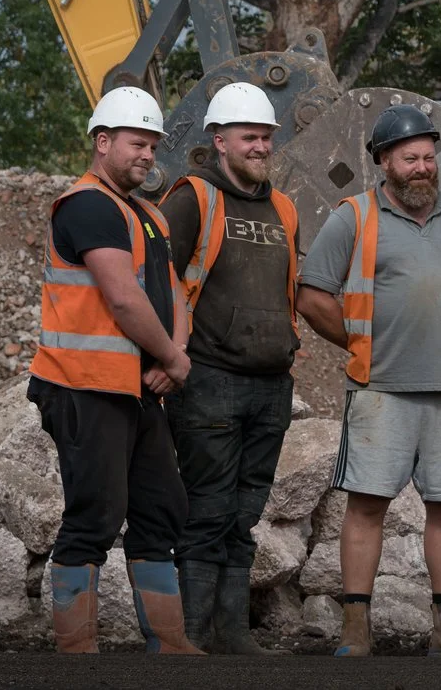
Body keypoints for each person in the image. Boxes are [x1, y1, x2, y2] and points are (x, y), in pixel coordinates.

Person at [297, 104, 441, 657]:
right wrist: (360, 343)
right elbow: (313, 294)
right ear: (384, 161)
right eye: (410, 158)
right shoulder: (354, 218)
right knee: (366, 505)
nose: (423, 168)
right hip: (381, 389)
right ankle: (355, 629)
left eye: (429, 157)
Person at [31, 86, 202, 655]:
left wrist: (170, 360)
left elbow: (174, 296)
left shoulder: (148, 215)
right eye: (137, 143)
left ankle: (169, 643)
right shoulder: (86, 205)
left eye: (153, 145)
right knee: (95, 514)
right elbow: (124, 299)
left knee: (161, 509)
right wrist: (174, 359)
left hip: (134, 388)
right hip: (83, 387)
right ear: (102, 143)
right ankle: (77, 650)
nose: (148, 155)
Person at [158, 81, 299, 654]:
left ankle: (233, 633)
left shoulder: (284, 208)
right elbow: (156, 281)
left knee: (244, 514)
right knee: (208, 509)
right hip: (209, 378)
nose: (261, 146)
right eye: (249, 137)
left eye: (266, 136)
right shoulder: (191, 197)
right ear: (219, 141)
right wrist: (168, 357)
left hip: (271, 383)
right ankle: (191, 633)